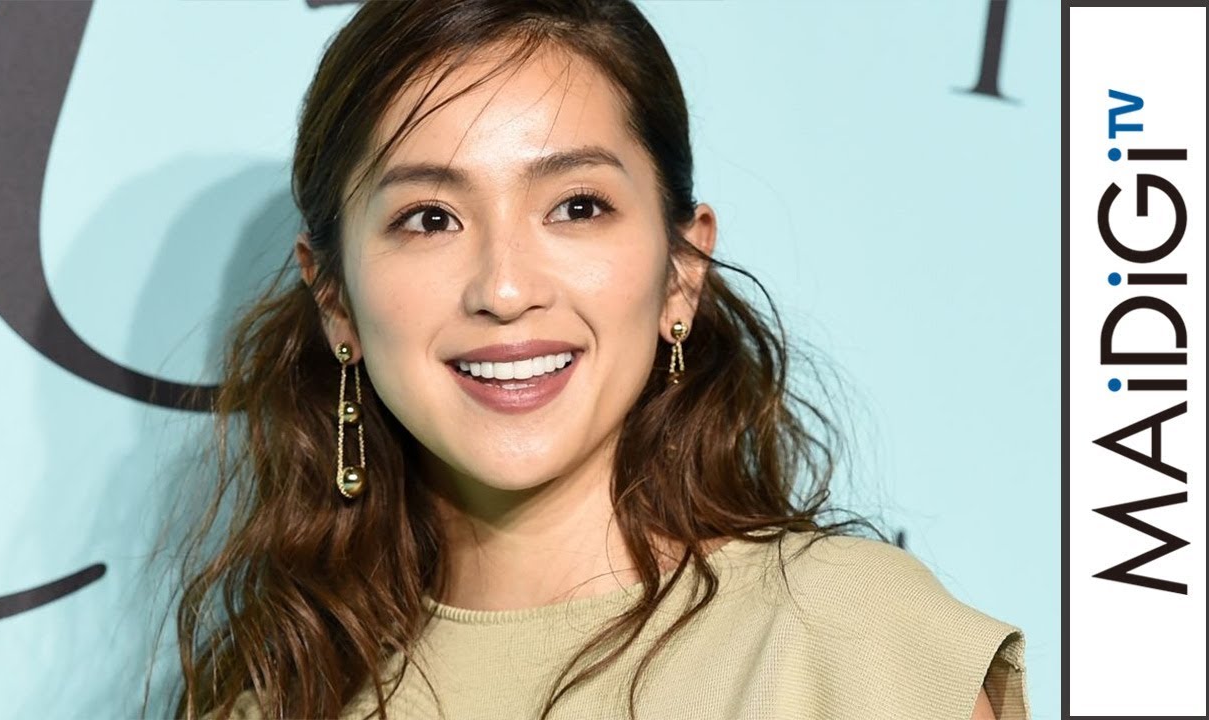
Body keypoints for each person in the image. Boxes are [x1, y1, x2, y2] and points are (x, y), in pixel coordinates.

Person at [166, 1, 1029, 718]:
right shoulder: (278, 703)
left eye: (576, 206)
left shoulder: (850, 643)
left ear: (681, 270)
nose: (505, 288)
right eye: (429, 219)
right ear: (335, 300)